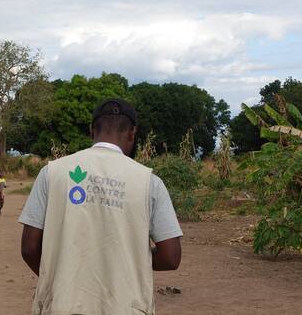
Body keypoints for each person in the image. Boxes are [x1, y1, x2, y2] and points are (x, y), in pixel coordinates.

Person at [19, 98, 182, 315]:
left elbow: (29, 248)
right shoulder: (149, 182)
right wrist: (126, 258)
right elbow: (171, 257)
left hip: (62, 305)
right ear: (132, 134)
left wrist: (61, 279)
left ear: (91, 131)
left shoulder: (52, 173)